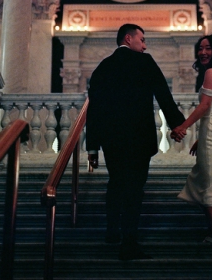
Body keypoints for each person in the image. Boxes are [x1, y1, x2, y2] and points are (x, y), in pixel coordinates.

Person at [86, 23, 186, 261]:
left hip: (112, 140)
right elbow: (163, 94)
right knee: (133, 189)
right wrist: (177, 124)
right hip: (139, 139)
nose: (145, 45)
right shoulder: (145, 62)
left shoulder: (103, 67)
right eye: (142, 40)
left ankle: (111, 232)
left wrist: (92, 145)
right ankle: (129, 243)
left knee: (116, 182)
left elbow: (95, 109)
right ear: (129, 39)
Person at [171, 34, 212, 258]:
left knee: (210, 187)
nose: (202, 52)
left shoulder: (211, 73)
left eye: (208, 48)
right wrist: (201, 137)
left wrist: (183, 127)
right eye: (200, 48)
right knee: (205, 182)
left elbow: (205, 106)